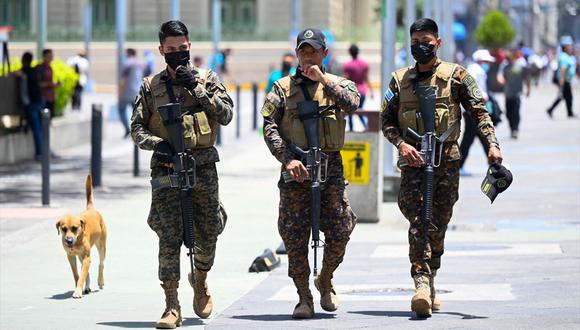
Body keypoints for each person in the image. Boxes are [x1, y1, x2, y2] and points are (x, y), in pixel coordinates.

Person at [380, 18, 503, 318]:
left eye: (427, 42)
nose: (421, 47)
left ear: (438, 43)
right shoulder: (399, 81)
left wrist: (492, 145)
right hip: (413, 165)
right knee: (418, 220)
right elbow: (387, 122)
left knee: (440, 222)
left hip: (446, 163)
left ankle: (431, 277)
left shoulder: (457, 77)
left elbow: (479, 111)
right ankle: (420, 284)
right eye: (415, 43)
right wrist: (401, 145)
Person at [130, 20, 233, 328]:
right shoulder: (151, 86)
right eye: (171, 50)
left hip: (202, 167)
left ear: (190, 47)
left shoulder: (207, 78)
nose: (177, 54)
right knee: (168, 236)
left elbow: (226, 115)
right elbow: (136, 128)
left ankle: (199, 278)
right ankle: (171, 305)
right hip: (166, 169)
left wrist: (196, 88)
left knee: (209, 230)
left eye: (182, 49)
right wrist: (157, 145)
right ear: (161, 50)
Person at [261, 28, 359, 319]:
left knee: (341, 229)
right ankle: (303, 296)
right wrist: (286, 159)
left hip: (331, 171)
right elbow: (269, 126)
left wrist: (323, 80)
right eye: (303, 51)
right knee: (294, 236)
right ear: (296, 53)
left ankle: (325, 278)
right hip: (297, 172)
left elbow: (352, 104)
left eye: (313, 51)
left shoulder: (340, 84)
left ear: (324, 54)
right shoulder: (281, 89)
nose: (307, 56)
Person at [460, 49, 495, 176]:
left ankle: (494, 164)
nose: (488, 64)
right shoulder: (477, 71)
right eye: (487, 61)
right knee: (472, 139)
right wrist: (483, 96)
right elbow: (474, 89)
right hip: (473, 110)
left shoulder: (472, 69)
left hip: (471, 110)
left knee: (481, 137)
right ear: (481, 60)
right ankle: (494, 165)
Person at [498, 49, 531, 139]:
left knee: (516, 112)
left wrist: (528, 89)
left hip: (518, 93)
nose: (507, 59)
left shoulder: (521, 65)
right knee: (508, 113)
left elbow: (526, 78)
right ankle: (512, 128)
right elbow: (500, 75)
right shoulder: (504, 66)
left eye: (509, 57)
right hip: (508, 93)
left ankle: (515, 129)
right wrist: (500, 79)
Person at [18, 52, 43, 160]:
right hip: (38, 101)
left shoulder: (25, 71)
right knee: (40, 127)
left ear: (23, 60)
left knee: (37, 128)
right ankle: (43, 151)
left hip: (32, 103)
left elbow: (14, 73)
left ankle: (40, 152)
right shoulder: (34, 71)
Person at [343, 44, 374, 130]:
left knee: (350, 111)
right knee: (360, 110)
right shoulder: (364, 64)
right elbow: (366, 78)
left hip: (352, 91)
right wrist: (371, 91)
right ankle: (365, 126)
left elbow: (346, 80)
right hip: (363, 91)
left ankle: (352, 129)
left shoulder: (348, 65)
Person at [547, 36, 577, 119]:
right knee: (566, 96)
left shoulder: (567, 56)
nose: (571, 47)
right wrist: (562, 80)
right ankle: (552, 110)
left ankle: (553, 110)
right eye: (569, 45)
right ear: (565, 47)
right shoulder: (564, 56)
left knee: (565, 96)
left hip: (566, 80)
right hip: (564, 80)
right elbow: (563, 69)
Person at [119, 48, 143, 138]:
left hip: (127, 92)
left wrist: (119, 93)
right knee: (136, 113)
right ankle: (136, 130)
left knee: (121, 110)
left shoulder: (127, 63)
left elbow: (123, 80)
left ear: (128, 53)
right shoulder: (140, 64)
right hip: (137, 92)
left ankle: (127, 129)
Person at [36, 49, 60, 118]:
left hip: (51, 97)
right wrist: (51, 84)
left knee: (49, 118)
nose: (51, 57)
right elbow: (38, 83)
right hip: (43, 98)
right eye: (49, 56)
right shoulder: (40, 68)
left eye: (51, 55)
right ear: (44, 56)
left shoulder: (50, 68)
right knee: (43, 118)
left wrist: (55, 85)